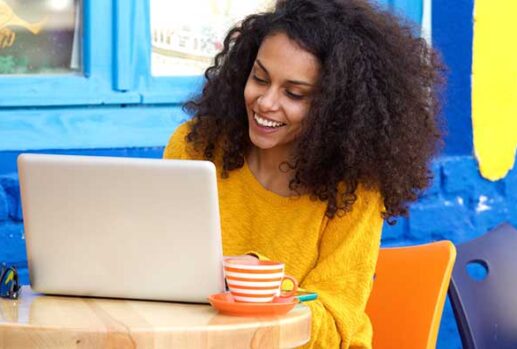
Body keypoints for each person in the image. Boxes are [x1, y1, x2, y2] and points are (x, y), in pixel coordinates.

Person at [164, 0, 444, 347]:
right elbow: (165, 275)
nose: (266, 102)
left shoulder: (353, 186)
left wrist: (259, 284)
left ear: (336, 107)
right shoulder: (197, 147)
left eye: (294, 93)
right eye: (259, 78)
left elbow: (335, 326)